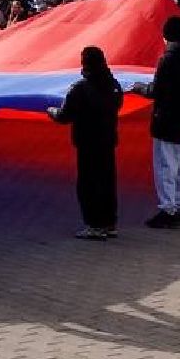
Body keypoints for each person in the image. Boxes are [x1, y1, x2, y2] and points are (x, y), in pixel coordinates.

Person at [46, 46, 123, 239]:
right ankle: (109, 223)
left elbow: (64, 115)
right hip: (107, 140)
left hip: (88, 143)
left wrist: (50, 110)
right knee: (107, 182)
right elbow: (117, 104)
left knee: (89, 184)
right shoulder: (113, 85)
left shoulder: (81, 88)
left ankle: (94, 225)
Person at [132, 15, 180, 228]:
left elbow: (156, 90)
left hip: (167, 118)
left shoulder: (167, 59)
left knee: (165, 165)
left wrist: (139, 88)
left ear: (165, 36)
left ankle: (167, 209)